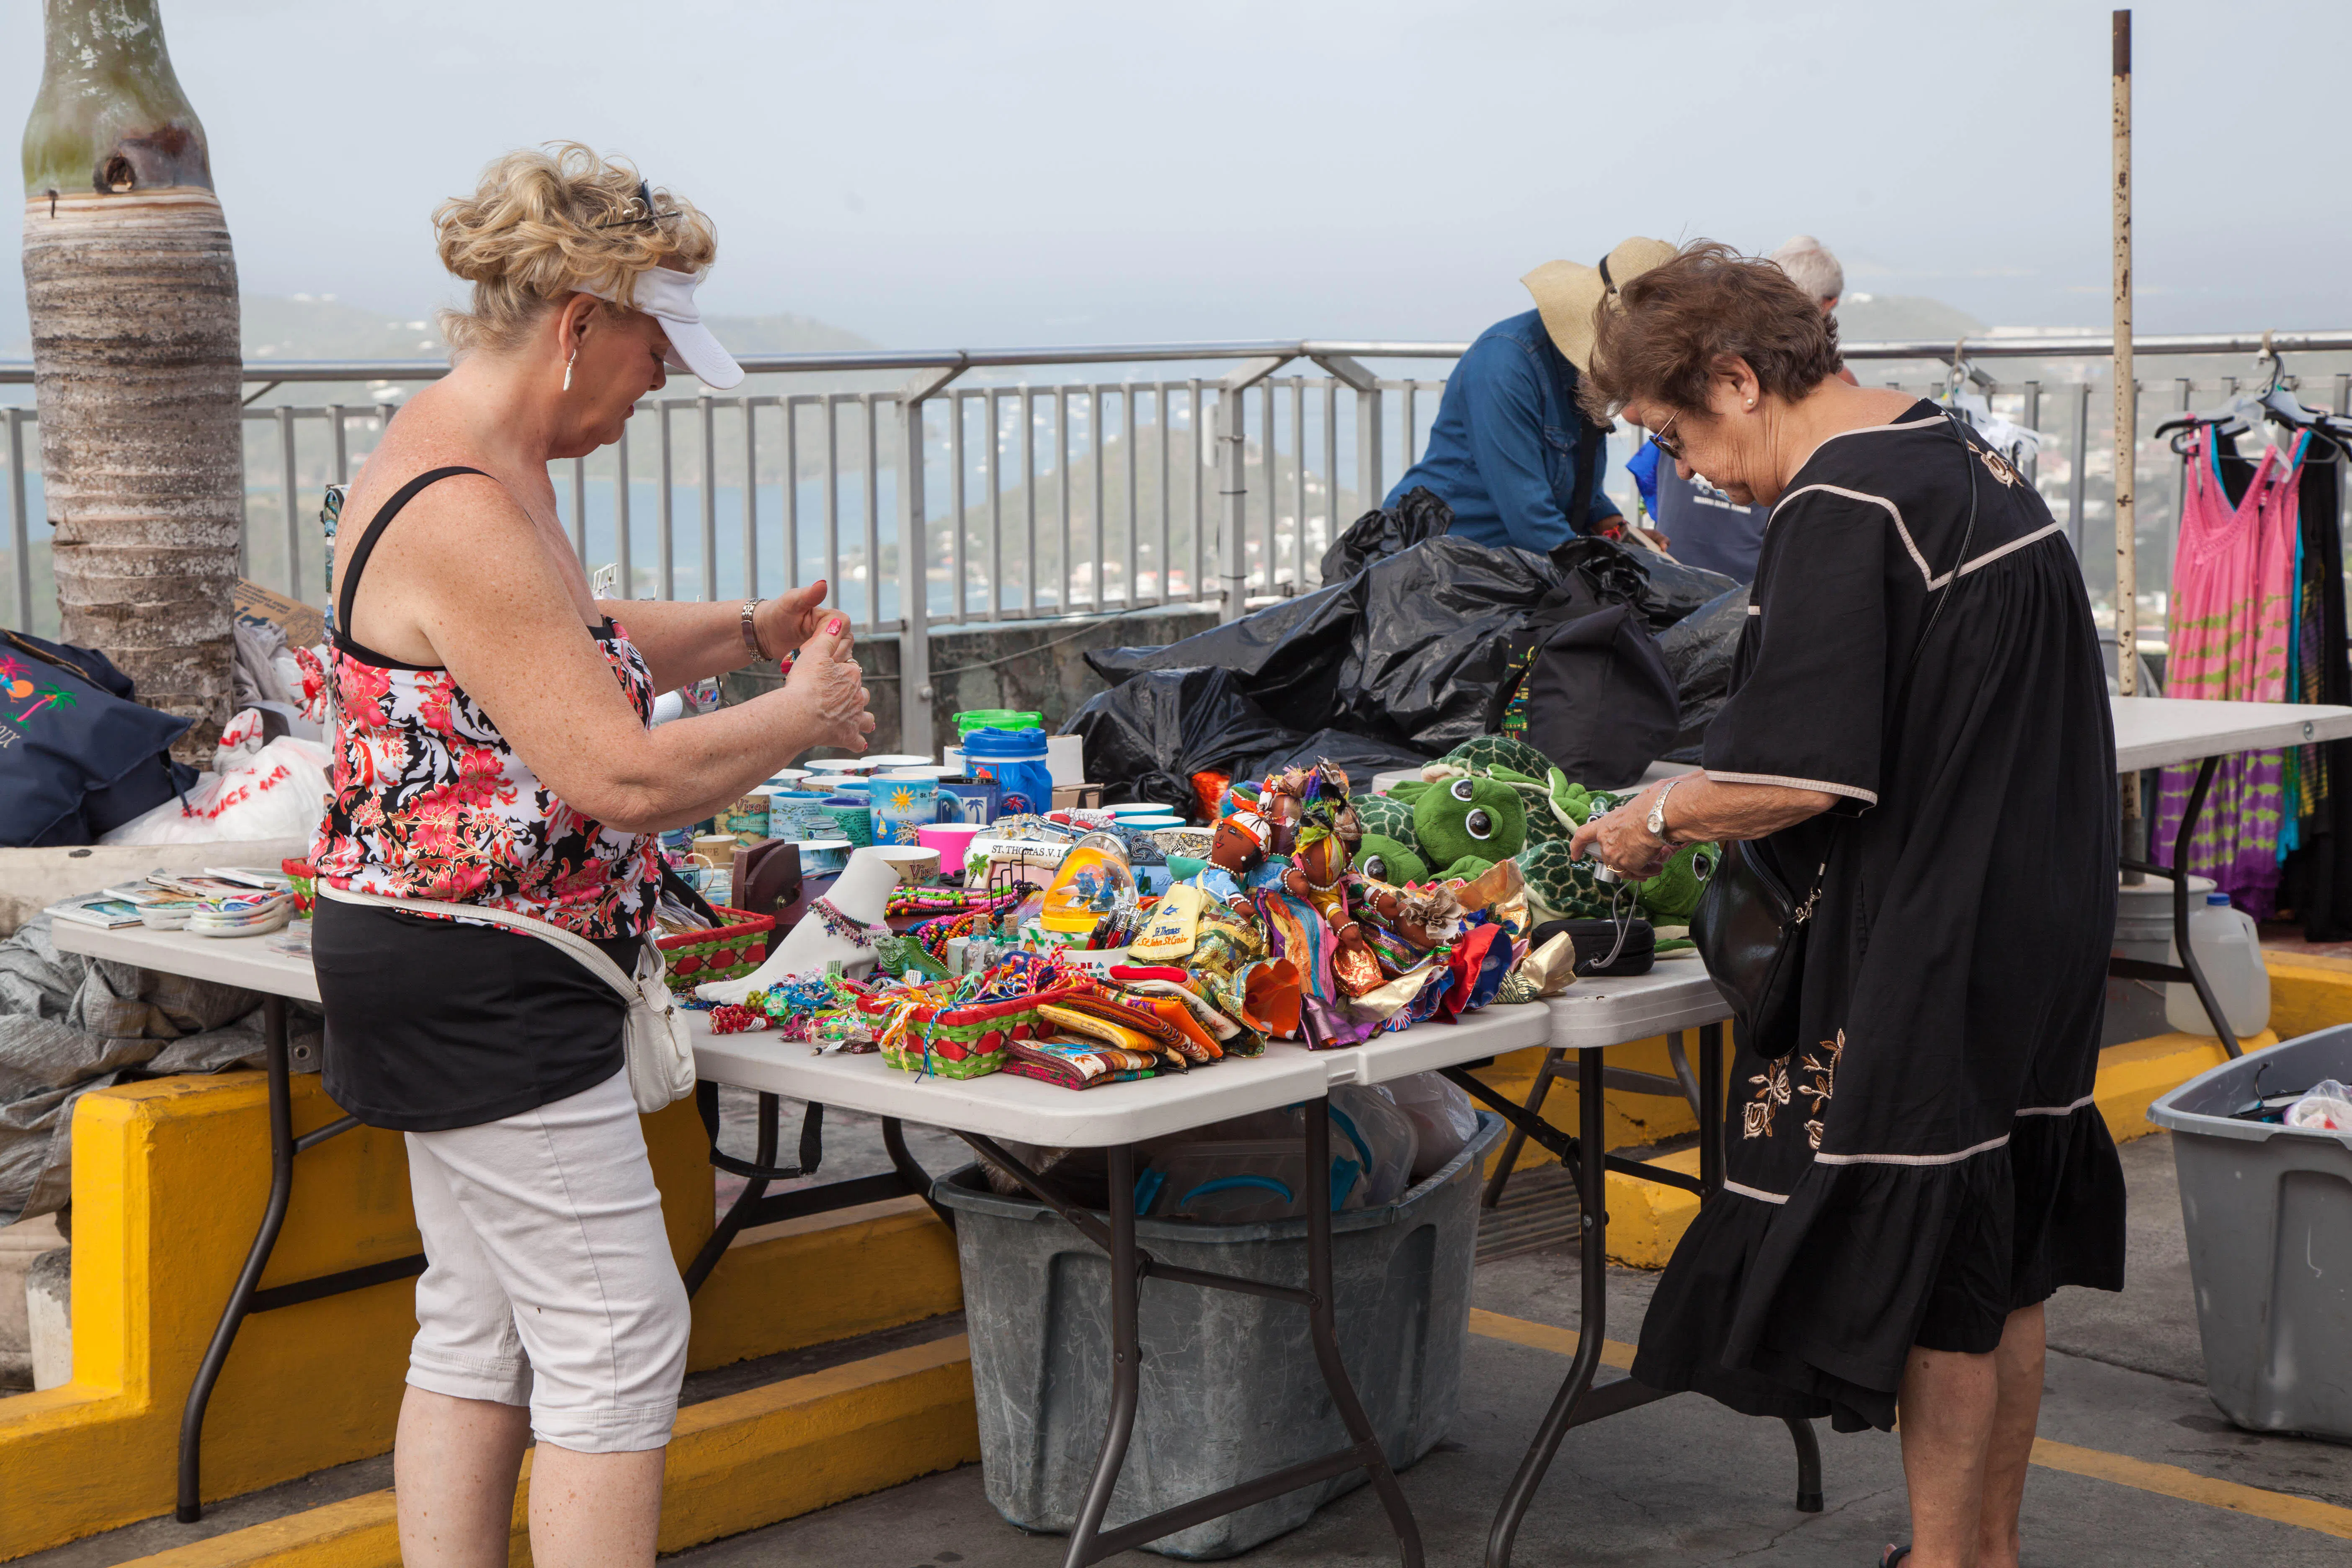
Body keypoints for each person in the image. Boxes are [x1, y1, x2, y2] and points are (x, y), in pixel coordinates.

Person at [308, 144, 875, 1568]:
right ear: (576, 327)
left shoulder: (472, 459)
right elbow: (617, 773)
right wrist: (796, 719)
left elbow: (573, 639)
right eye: (653, 345)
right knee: (618, 1336)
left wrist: (744, 634)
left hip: (443, 952)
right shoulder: (467, 510)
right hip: (485, 973)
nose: (663, 378)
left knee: (480, 1323)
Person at [1568, 242, 2123, 1568]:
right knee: (2005, 1251)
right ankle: (1985, 1552)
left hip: (1943, 923)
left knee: (1938, 1265)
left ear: (1740, 379)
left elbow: (1795, 774)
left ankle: (1942, 1561)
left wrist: (1651, 818)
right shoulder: (1951, 448)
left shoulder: (1842, 503)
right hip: (2042, 902)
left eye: (1672, 434)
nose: (1683, 472)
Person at [1380, 238, 1678, 553]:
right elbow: (1530, 520)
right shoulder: (1504, 363)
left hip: (1507, 561)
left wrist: (1617, 530)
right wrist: (1617, 570)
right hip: (1434, 561)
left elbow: (1577, 479)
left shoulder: (1583, 370)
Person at [1646, 235, 1855, 582]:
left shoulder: (1708, 360)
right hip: (1750, 577)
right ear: (1828, 303)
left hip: (1688, 567)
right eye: (1672, 439)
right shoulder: (1836, 385)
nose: (1684, 468)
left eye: (1675, 437)